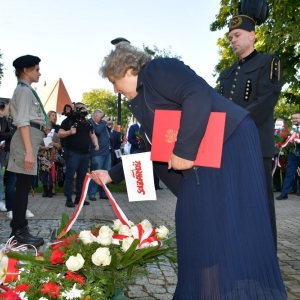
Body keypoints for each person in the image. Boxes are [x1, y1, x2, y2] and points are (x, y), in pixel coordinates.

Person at [89, 42, 287, 299]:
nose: (114, 88)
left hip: (227, 143)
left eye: (113, 81)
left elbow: (196, 93)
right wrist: (112, 174)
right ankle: (213, 292)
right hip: (206, 156)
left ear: (127, 69)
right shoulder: (144, 97)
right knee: (205, 231)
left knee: (205, 229)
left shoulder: (158, 69)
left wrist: (184, 150)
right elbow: (155, 148)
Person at [218, 3, 283, 248]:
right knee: (233, 202)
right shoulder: (226, 73)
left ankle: (264, 258)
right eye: (230, 37)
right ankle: (237, 253)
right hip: (228, 147)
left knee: (259, 201)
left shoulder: (269, 62)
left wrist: (231, 125)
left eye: (237, 35)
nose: (232, 40)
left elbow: (266, 100)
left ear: (252, 35)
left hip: (255, 144)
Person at [7, 55, 48, 247]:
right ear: (25, 70)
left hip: (29, 139)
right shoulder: (23, 91)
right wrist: (29, 151)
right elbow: (23, 122)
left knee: (24, 185)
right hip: (25, 141)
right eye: (36, 69)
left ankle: (21, 227)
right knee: (22, 187)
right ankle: (18, 231)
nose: (39, 73)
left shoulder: (27, 91)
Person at [58, 102, 99, 207]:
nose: (84, 111)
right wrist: (69, 132)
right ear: (76, 109)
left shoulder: (87, 123)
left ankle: (79, 198)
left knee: (82, 177)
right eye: (82, 109)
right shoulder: (68, 121)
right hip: (72, 153)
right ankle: (68, 199)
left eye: (85, 109)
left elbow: (92, 134)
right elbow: (60, 134)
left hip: (85, 154)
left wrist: (96, 143)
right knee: (70, 177)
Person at [87, 109, 111, 201]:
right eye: (101, 117)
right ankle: (92, 193)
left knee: (106, 173)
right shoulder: (90, 123)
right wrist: (103, 122)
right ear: (96, 115)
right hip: (97, 152)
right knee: (95, 173)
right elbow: (96, 131)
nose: (103, 118)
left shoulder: (102, 124)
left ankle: (104, 193)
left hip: (107, 151)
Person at [276, 112, 300, 200]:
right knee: (289, 174)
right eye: (293, 118)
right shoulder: (289, 129)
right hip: (292, 155)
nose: (294, 120)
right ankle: (284, 194)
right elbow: (282, 139)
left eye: (297, 118)